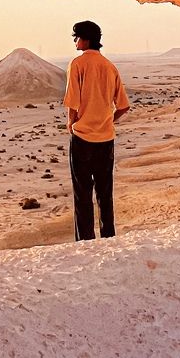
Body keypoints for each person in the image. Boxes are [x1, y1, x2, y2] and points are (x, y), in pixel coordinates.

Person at [62, 20, 130, 240]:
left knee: (82, 194)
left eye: (76, 37)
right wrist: (108, 121)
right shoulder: (110, 66)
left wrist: (71, 124)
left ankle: (85, 242)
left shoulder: (78, 64)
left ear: (85, 39)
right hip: (106, 138)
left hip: (82, 137)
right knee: (104, 192)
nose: (75, 41)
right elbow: (123, 106)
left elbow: (72, 101)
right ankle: (109, 237)